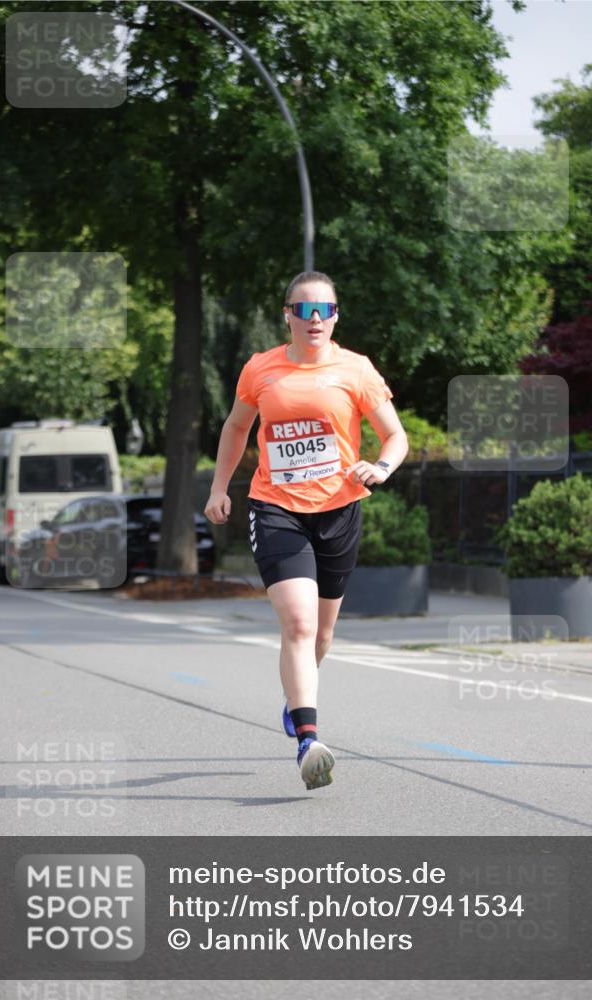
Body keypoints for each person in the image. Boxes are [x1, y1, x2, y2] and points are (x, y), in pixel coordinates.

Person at [204, 271, 408, 790]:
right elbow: (236, 426)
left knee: (321, 635)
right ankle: (308, 741)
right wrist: (219, 487)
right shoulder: (261, 368)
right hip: (277, 508)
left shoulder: (356, 369)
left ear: (335, 316)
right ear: (287, 316)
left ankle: (295, 701)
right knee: (297, 623)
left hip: (339, 510)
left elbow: (395, 436)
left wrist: (381, 467)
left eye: (325, 310)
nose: (314, 319)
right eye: (304, 310)